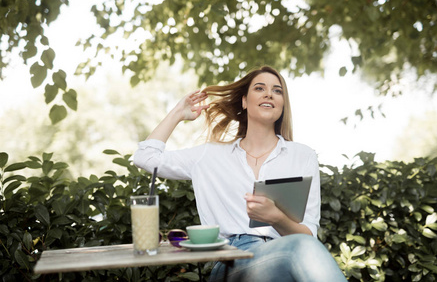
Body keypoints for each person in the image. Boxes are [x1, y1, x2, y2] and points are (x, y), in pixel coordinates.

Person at [133, 66, 346, 281]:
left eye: (277, 91)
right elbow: (146, 158)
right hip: (232, 260)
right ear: (244, 101)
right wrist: (178, 113)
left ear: (282, 104)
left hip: (285, 253)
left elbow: (308, 235)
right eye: (259, 88)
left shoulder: (303, 156)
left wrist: (277, 218)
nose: (269, 94)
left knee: (302, 248)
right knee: (300, 250)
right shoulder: (210, 155)